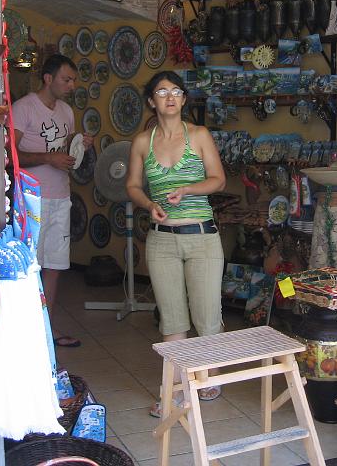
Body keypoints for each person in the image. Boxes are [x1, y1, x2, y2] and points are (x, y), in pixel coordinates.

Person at [126, 71, 227, 417]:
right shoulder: (142, 142)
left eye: (176, 92)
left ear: (184, 100)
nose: (170, 97)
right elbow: (132, 186)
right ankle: (179, 390)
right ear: (152, 101)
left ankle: (208, 378)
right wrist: (147, 204)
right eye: (162, 92)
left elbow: (217, 179)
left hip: (202, 237)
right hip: (162, 241)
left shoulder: (199, 135)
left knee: (207, 316)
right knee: (171, 319)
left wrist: (188, 190)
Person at [12, 53, 92, 349]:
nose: (71, 85)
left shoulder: (66, 111)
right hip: (31, 199)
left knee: (56, 265)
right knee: (29, 266)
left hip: (61, 196)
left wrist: (80, 144)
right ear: (48, 78)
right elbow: (9, 156)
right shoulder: (24, 108)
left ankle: (47, 328)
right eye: (66, 79)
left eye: (73, 80)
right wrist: (48, 158)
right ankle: (25, 331)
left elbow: (66, 149)